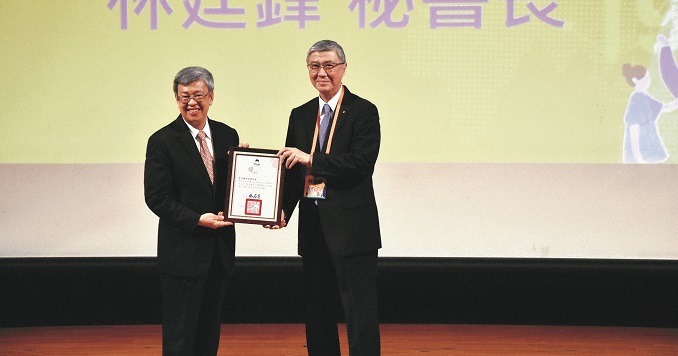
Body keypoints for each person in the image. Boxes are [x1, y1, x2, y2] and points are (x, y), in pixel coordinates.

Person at [267, 40, 382, 355]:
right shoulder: (301, 114)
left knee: (359, 311)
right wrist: (280, 212)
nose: (321, 73)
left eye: (329, 65)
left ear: (343, 68)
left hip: (353, 228)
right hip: (314, 226)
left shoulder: (363, 111)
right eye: (314, 66)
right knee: (317, 309)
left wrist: (311, 159)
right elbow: (293, 170)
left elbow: (361, 165)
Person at [144, 66, 243, 356]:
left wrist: (245, 165)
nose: (191, 102)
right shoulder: (162, 140)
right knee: (179, 336)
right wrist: (196, 220)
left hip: (219, 253)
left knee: (208, 333)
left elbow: (228, 188)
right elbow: (156, 197)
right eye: (184, 96)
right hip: (183, 254)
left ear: (211, 96)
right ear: (176, 99)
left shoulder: (227, 135)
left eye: (198, 95)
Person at [621, 63, 678, 163]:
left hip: (649, 146)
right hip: (640, 151)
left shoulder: (644, 97)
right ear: (635, 80)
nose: (649, 80)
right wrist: (638, 157)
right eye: (646, 78)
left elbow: (666, 107)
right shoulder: (636, 101)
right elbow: (634, 130)